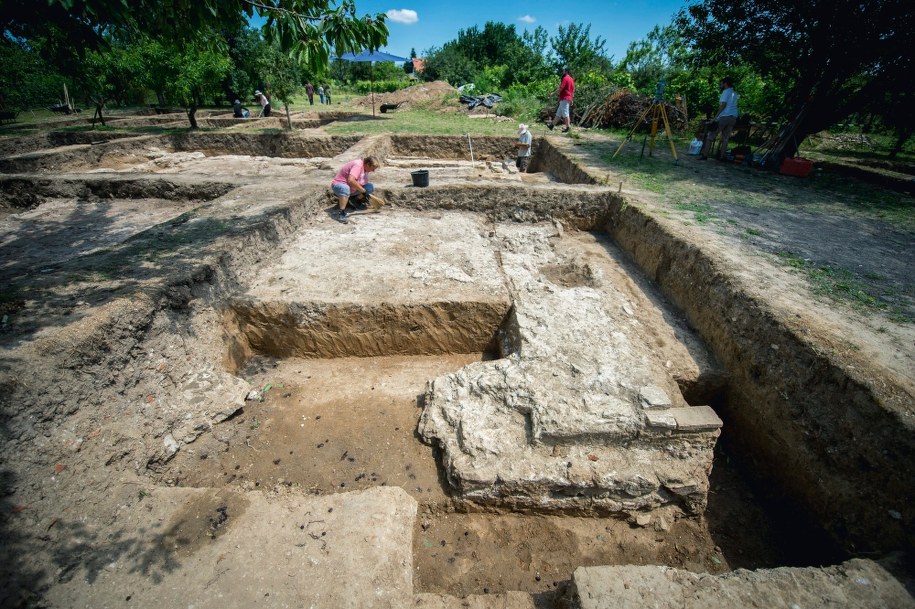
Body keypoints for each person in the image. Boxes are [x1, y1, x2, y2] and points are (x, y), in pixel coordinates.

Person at [330, 156, 380, 224]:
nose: (373, 171)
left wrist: (364, 191)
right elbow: (350, 180)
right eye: (372, 169)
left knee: (369, 187)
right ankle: (341, 212)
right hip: (339, 185)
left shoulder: (365, 168)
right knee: (345, 188)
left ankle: (354, 200)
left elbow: (360, 182)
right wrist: (363, 191)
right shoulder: (358, 165)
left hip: (351, 188)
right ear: (368, 164)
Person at [700, 77, 739, 160]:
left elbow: (723, 105)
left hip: (724, 116)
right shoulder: (734, 93)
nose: (720, 85)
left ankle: (705, 155)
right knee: (725, 138)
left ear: (725, 84)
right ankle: (721, 157)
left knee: (710, 136)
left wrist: (715, 118)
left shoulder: (725, 92)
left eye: (721, 84)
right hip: (733, 117)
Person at [547, 67, 575, 133]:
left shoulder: (565, 78)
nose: (563, 72)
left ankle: (568, 127)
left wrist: (552, 93)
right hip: (568, 98)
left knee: (565, 113)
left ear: (566, 71)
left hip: (564, 98)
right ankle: (552, 125)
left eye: (563, 71)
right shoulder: (571, 79)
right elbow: (573, 90)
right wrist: (572, 99)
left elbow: (561, 88)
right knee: (558, 113)